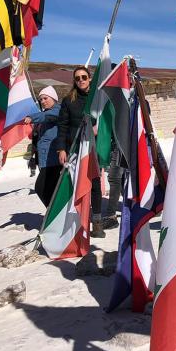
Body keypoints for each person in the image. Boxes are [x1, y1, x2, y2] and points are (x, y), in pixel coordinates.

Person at [54, 66, 105, 238]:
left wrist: (101, 129)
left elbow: (107, 119)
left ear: (90, 78)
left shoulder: (98, 98)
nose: (81, 80)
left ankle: (97, 222)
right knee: (76, 185)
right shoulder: (69, 100)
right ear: (74, 81)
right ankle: (76, 222)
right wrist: (61, 148)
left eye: (84, 77)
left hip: (93, 147)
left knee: (95, 185)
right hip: (75, 149)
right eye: (77, 78)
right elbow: (62, 126)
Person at [24, 86, 62, 207]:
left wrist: (32, 117)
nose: (43, 101)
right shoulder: (44, 115)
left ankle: (54, 215)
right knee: (51, 191)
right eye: (41, 99)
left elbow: (47, 116)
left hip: (54, 159)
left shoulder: (58, 110)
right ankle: (55, 217)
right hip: (44, 159)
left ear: (54, 98)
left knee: (41, 188)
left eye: (45, 98)